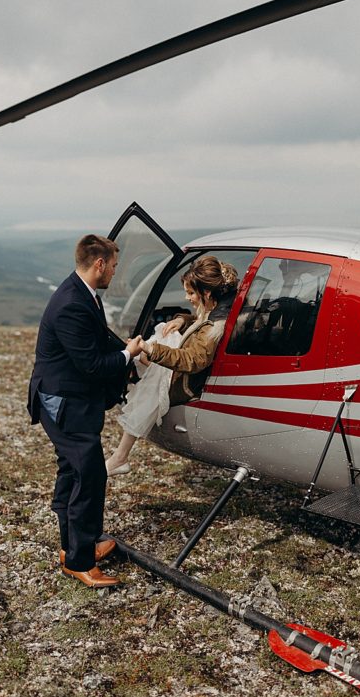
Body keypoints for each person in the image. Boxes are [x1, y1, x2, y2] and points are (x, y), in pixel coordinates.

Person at [27, 234, 143, 588]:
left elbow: (97, 336)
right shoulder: (70, 303)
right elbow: (92, 364)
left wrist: (125, 345)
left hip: (67, 399)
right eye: (113, 266)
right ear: (99, 265)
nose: (114, 272)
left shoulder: (82, 293)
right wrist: (129, 355)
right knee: (89, 475)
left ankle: (73, 546)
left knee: (73, 470)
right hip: (62, 402)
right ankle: (80, 561)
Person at [104, 256, 239, 476]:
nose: (187, 298)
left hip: (187, 382)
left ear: (206, 293)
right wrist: (181, 320)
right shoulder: (217, 306)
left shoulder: (215, 326)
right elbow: (199, 320)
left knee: (149, 369)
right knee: (160, 334)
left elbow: (192, 360)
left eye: (191, 293)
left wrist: (151, 351)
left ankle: (120, 457)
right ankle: (135, 357)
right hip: (185, 371)